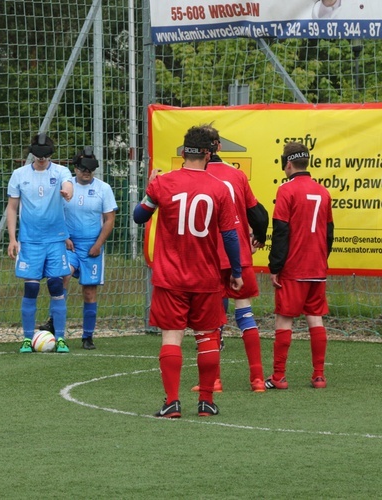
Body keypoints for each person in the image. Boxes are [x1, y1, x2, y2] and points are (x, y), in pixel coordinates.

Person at [133, 125, 243, 418]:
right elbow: (231, 236)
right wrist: (236, 270)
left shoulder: (163, 183)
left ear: (184, 152)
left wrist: (149, 186)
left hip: (170, 276)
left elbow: (138, 216)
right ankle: (206, 401)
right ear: (209, 153)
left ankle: (172, 403)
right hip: (206, 276)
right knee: (207, 335)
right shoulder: (219, 188)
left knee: (172, 336)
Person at [191, 124, 269, 393]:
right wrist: (260, 237)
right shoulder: (237, 175)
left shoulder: (195, 176)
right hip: (238, 255)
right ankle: (257, 379)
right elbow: (258, 212)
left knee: (212, 321)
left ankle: (214, 381)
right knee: (245, 313)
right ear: (219, 147)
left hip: (209, 257)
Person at [266, 141, 334, 390]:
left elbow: (281, 232)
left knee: (284, 320)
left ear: (288, 163)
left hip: (294, 268)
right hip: (317, 267)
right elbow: (329, 234)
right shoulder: (323, 191)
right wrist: (321, 260)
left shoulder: (286, 190)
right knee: (315, 318)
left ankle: (278, 376)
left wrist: (275, 266)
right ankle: (319, 376)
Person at [39, 147, 118, 350]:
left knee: (89, 291)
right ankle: (55, 325)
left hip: (92, 245)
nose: (86, 172)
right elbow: (53, 214)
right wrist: (64, 237)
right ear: (76, 167)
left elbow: (110, 219)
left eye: (90, 169)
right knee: (61, 277)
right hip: (69, 244)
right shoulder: (65, 186)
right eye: (83, 168)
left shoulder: (104, 189)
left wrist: (98, 244)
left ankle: (87, 336)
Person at [6, 133, 74, 354]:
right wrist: (12, 239)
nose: (42, 159)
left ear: (51, 155)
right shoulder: (19, 175)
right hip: (30, 241)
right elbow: (13, 207)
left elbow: (68, 185)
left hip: (55, 240)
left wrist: (68, 192)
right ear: (32, 154)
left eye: (46, 156)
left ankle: (61, 338)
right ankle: (27, 339)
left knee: (56, 286)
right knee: (31, 288)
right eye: (38, 155)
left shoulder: (61, 171)